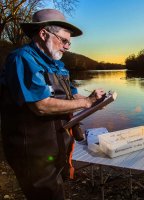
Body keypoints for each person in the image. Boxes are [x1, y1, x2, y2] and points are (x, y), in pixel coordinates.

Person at [0, 9, 105, 200]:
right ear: (43, 33)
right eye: (64, 40)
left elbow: (71, 96)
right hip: (33, 153)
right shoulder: (22, 59)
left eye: (69, 42)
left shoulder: (59, 66)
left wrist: (92, 99)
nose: (67, 47)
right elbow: (41, 105)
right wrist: (86, 103)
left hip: (56, 147)